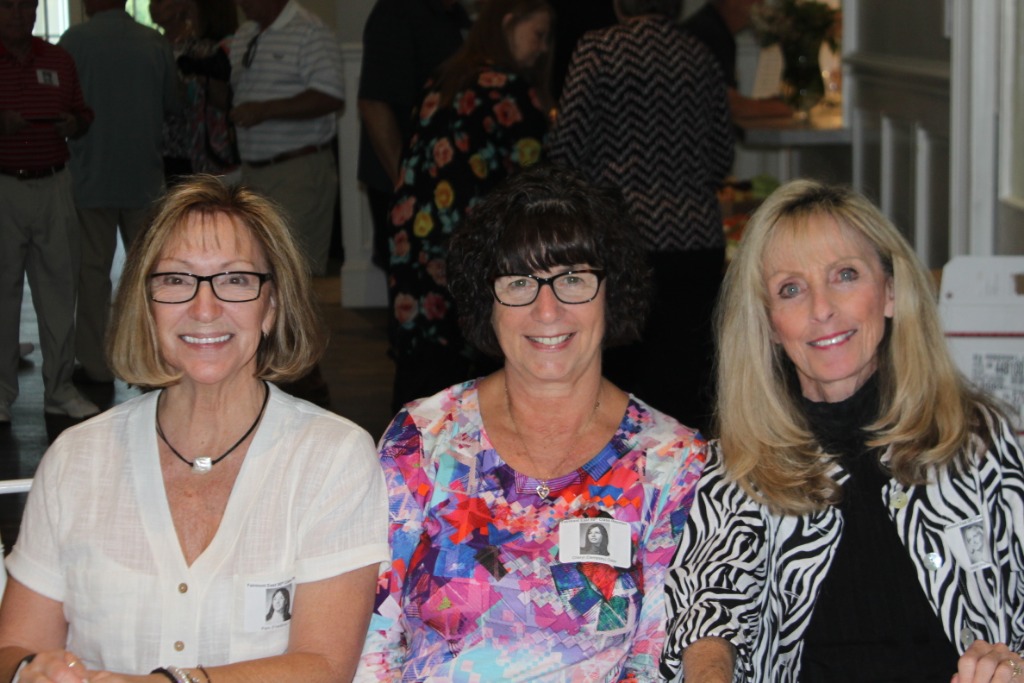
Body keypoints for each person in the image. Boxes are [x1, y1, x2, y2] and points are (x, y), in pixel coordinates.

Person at [0, 176, 389, 681]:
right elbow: (14, 645)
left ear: (270, 307)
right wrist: (31, 669)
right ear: (147, 304)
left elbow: (323, 666)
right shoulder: (76, 458)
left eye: (234, 280)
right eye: (177, 280)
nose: (204, 309)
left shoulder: (332, 457)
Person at [661, 180, 1024, 683]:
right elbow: (710, 611)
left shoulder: (977, 443)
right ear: (768, 324)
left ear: (891, 292)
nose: (821, 308)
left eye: (845, 275)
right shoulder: (741, 464)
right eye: (791, 288)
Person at [356, 165, 708, 680]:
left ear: (612, 293)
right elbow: (373, 637)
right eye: (519, 282)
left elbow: (654, 657)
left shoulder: (671, 462)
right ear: (487, 301)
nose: (547, 310)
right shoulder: (424, 440)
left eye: (572, 279)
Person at [548, 0, 734, 433]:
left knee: (621, 378)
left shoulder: (598, 49)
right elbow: (722, 154)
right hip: (696, 237)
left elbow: (565, 150)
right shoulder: (698, 52)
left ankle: (621, 480)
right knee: (687, 377)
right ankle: (688, 479)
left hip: (622, 236)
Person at [386, 0, 553, 413]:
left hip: (415, 244)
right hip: (470, 252)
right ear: (510, 23)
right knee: (469, 376)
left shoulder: (444, 78)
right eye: (538, 34)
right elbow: (539, 183)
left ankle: (404, 457)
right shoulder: (508, 89)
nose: (543, 48)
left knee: (421, 368)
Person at [59, 0, 180, 386]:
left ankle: (95, 364)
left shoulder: (73, 41)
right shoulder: (154, 42)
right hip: (143, 175)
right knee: (153, 275)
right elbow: (173, 104)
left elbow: (62, 107)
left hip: (90, 174)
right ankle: (153, 357)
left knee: (92, 274)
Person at [0, 0, 98, 424]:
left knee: (59, 291)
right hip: (4, 183)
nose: (20, 14)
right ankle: (1, 393)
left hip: (56, 182)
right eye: (9, 6)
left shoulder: (58, 57)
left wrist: (73, 124)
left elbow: (83, 114)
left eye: (27, 6)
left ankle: (59, 389)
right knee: (2, 294)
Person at [229, 0, 344, 278]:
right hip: (253, 174)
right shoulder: (244, 34)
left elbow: (330, 96)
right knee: (258, 269)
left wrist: (265, 110)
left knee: (294, 273)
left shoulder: (309, 32)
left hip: (297, 171)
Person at [356, 0, 471, 271]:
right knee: (412, 286)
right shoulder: (396, 11)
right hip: (405, 185)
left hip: (439, 185)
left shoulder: (454, 15)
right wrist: (405, 184)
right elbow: (374, 104)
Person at [152, 0, 239, 180]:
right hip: (172, 148)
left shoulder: (211, 50)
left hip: (207, 150)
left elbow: (222, 100)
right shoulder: (156, 44)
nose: (153, 6)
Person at [681, 0, 792, 119]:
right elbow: (729, 105)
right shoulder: (708, 35)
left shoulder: (715, 29)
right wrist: (780, 108)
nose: (761, 3)